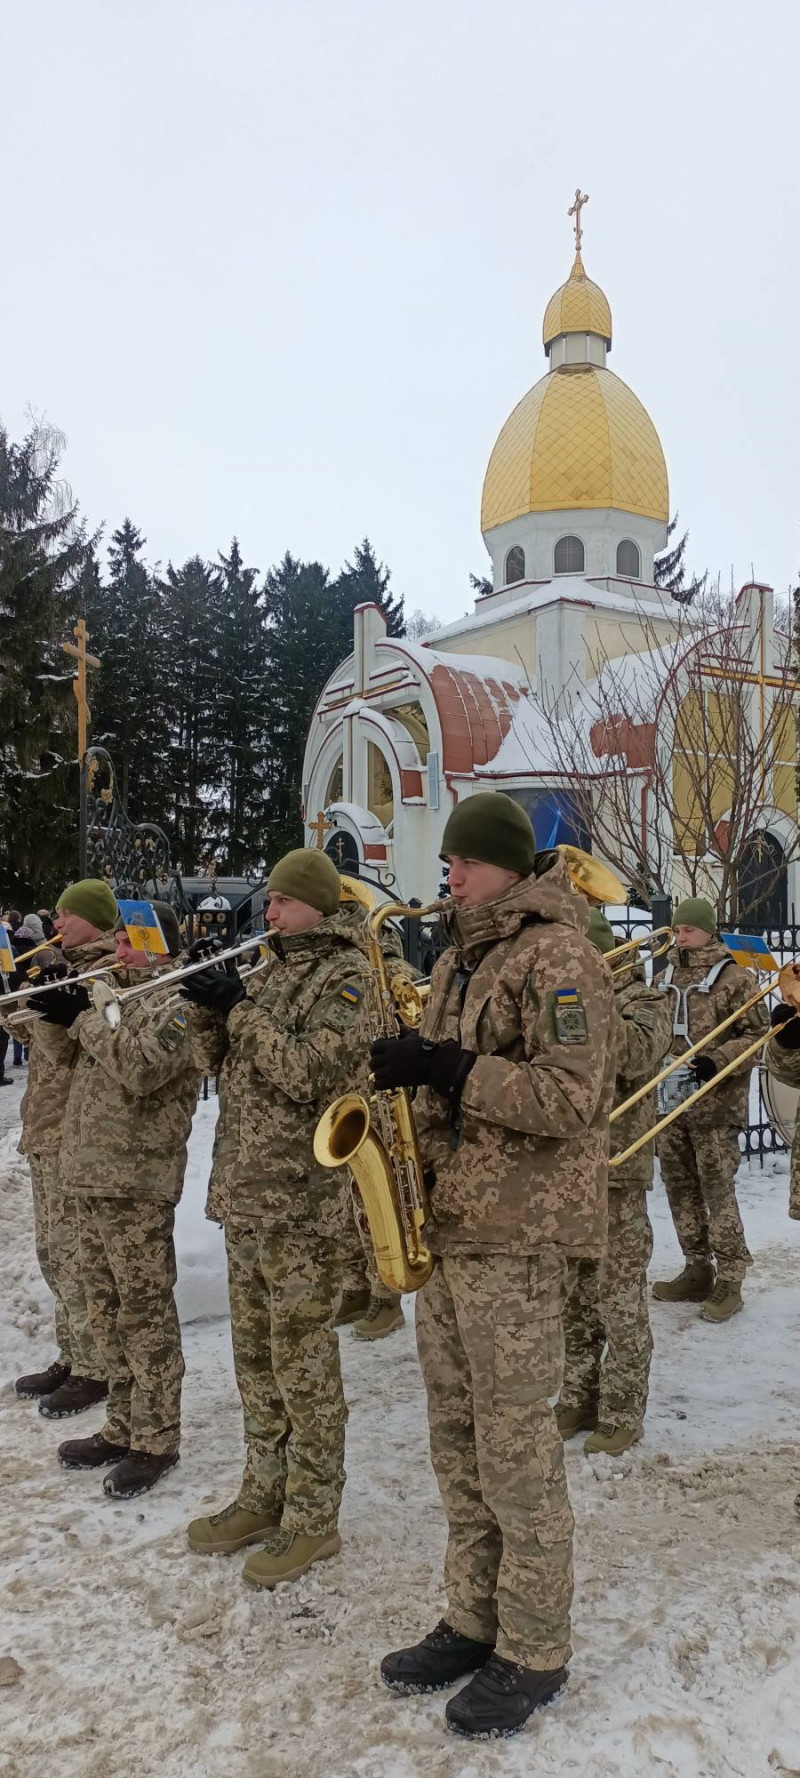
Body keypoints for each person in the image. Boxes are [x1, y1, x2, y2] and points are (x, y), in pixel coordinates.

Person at [373, 793, 616, 1740]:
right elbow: (443, 1079)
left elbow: (574, 1096)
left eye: (463, 863)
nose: (450, 877)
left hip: (516, 1235)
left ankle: (536, 1646)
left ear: (507, 867)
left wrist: (447, 1069)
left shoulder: (559, 955)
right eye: (447, 865)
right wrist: (404, 1081)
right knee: (459, 1442)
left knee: (516, 1449)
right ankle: (475, 1619)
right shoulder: (465, 955)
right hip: (453, 1230)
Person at [183, 849, 371, 1585]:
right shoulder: (270, 969)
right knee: (255, 1364)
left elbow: (307, 1073)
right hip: (249, 1197)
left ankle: (313, 1517)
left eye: (283, 903)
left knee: (303, 1366)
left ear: (316, 905)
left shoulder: (345, 976)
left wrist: (242, 1009)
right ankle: (264, 1492)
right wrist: (208, 1006)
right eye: (268, 904)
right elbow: (222, 1068)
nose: (270, 913)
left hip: (301, 1206)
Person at [36, 900, 200, 1497]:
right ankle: (122, 1424)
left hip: (137, 1181)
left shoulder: (178, 1003)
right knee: (105, 1312)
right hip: (88, 1174)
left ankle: (157, 1438)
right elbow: (62, 1061)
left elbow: (141, 1068)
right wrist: (55, 1015)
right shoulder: (114, 994)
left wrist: (83, 1016)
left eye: (133, 942)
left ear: (158, 944)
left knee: (144, 1313)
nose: (121, 952)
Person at [557, 908, 673, 1455]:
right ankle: (578, 1395)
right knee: (574, 1298)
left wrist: (590, 996)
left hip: (618, 1172)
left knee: (619, 1298)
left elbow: (636, 1054)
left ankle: (623, 1409)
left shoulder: (644, 1002)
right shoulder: (565, 1001)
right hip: (569, 1170)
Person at [12, 878, 117, 1415]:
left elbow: (75, 1049)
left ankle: (96, 1365)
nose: (55, 924)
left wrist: (56, 1007)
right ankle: (72, 1353)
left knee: (78, 1258)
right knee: (53, 1253)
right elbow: (31, 1036)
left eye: (65, 915)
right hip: (44, 1128)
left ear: (93, 919)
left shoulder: (107, 973)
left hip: (73, 1132)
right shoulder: (60, 964)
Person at [652, 897, 768, 1323]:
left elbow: (758, 1036)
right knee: (679, 1188)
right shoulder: (663, 974)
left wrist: (717, 1059)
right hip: (670, 1101)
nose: (679, 937)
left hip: (716, 1105)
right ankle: (696, 1267)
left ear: (707, 931)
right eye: (677, 930)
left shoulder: (735, 979)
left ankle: (731, 1278)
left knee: (716, 1190)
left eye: (687, 931)